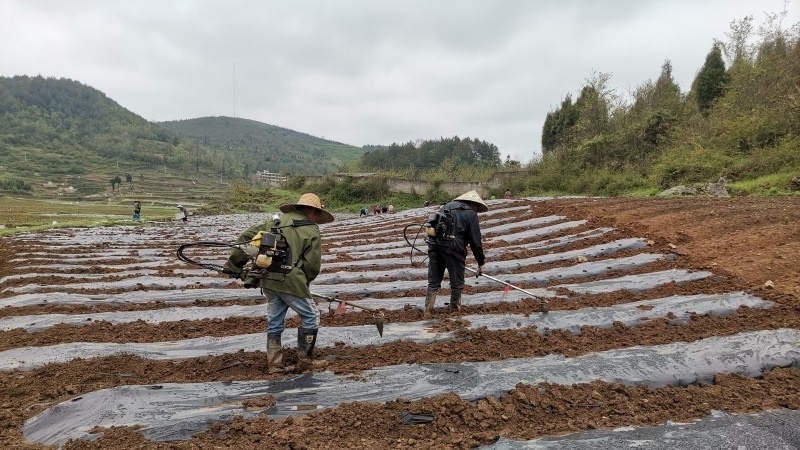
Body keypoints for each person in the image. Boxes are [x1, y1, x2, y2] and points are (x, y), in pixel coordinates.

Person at [223, 193, 334, 373]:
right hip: (290, 281)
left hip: (267, 278)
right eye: (317, 214)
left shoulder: (273, 222)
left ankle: (274, 364)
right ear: (312, 211)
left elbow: (246, 238)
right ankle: (305, 361)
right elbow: (312, 265)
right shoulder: (311, 230)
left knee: (274, 321)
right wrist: (304, 283)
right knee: (311, 316)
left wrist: (235, 266)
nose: (317, 218)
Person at [423, 190, 487, 319]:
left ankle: (427, 312)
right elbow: (476, 242)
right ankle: (454, 313)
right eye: (476, 207)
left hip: (435, 247)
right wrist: (481, 262)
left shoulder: (446, 207)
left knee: (433, 282)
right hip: (454, 250)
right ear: (472, 203)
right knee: (457, 284)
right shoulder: (470, 213)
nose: (476, 209)